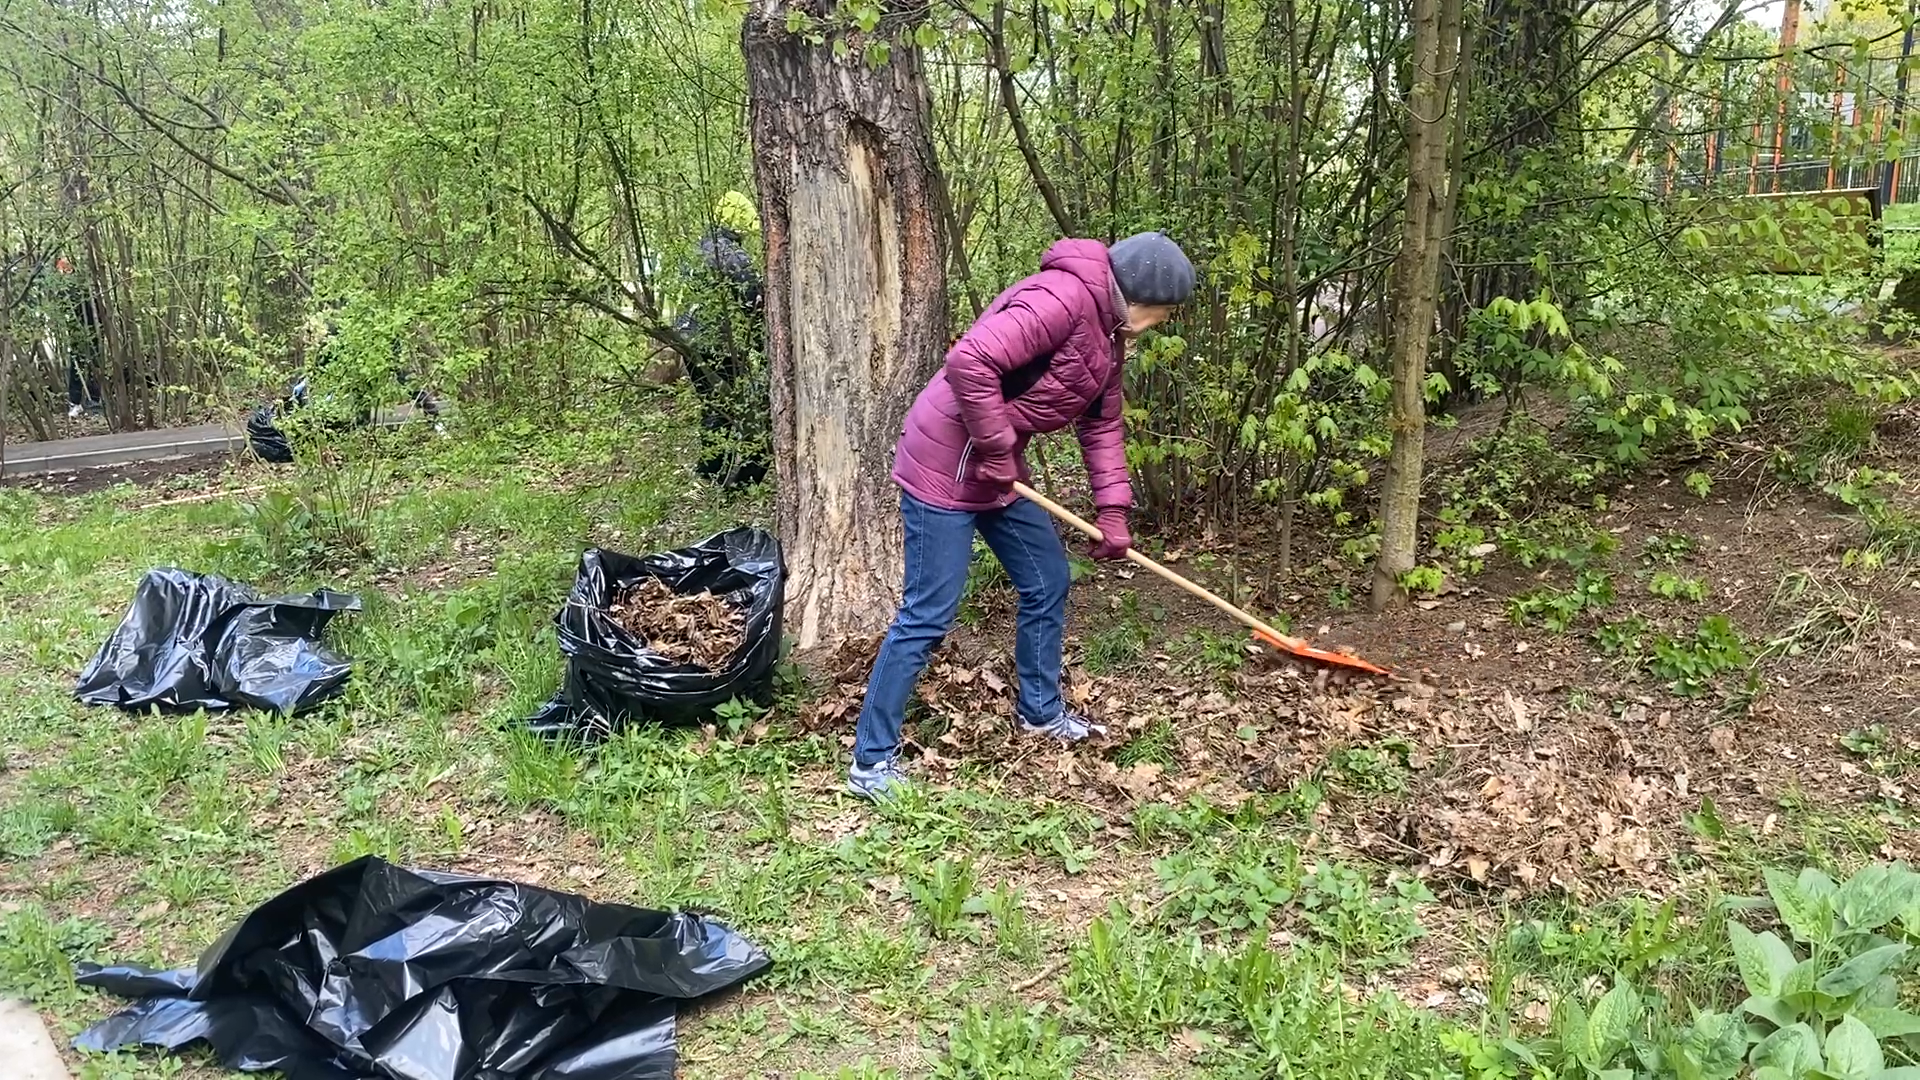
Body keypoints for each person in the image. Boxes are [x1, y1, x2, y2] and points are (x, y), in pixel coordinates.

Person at [848, 232, 1196, 799]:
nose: (1158, 323)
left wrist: (1112, 512)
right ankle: (871, 762)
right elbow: (970, 360)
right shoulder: (1060, 298)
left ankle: (1040, 712)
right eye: (1161, 314)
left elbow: (1102, 424)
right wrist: (995, 448)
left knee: (1047, 579)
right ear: (1140, 295)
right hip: (945, 455)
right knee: (930, 612)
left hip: (995, 461)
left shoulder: (1109, 337)